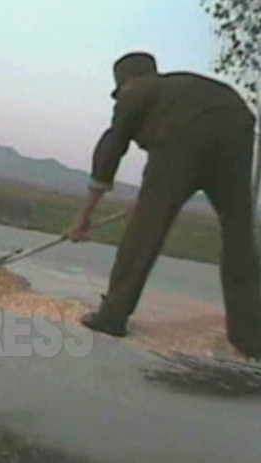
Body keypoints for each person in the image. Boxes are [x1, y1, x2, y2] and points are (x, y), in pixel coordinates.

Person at [68, 51, 261, 360]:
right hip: (237, 123)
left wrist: (83, 217)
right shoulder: (177, 89)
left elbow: (110, 151)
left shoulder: (135, 91)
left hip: (183, 140)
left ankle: (112, 316)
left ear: (126, 81)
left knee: (145, 231)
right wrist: (153, 196)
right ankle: (250, 338)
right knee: (239, 234)